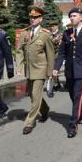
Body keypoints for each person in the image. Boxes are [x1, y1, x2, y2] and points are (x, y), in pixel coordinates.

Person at [53, 7, 82, 138]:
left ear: (81, 17)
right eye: (70, 16)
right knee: (72, 96)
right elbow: (62, 53)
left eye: (75, 16)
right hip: (69, 71)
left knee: (77, 97)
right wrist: (56, 67)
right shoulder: (67, 33)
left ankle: (73, 125)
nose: (72, 18)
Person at [16, 7, 55, 135]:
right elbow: (19, 50)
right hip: (29, 69)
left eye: (35, 17)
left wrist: (50, 74)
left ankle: (29, 122)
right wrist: (19, 66)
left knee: (34, 95)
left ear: (41, 19)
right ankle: (45, 109)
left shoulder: (45, 34)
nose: (32, 19)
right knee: (34, 95)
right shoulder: (25, 33)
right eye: (31, 17)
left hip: (40, 69)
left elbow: (50, 54)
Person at [49, 20, 63, 91]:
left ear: (57, 26)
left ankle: (55, 84)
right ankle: (57, 83)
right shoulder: (49, 34)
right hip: (51, 54)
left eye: (53, 26)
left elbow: (55, 42)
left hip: (58, 55)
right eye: (51, 26)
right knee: (53, 70)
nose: (52, 27)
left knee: (54, 70)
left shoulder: (60, 34)